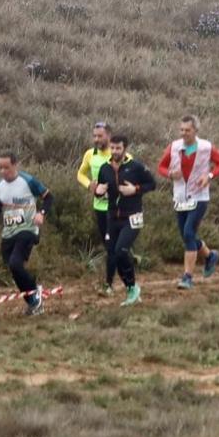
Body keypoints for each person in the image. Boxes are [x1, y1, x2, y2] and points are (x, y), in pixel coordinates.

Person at [158, 114, 219, 290]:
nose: (184, 133)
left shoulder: (206, 147)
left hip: (199, 196)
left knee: (189, 232)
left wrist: (209, 176)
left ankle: (188, 276)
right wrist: (170, 175)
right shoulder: (173, 147)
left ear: (195, 130)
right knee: (186, 236)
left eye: (187, 130)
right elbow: (161, 167)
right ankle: (210, 255)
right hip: (180, 196)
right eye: (181, 130)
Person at [93, 134, 155, 306]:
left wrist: (134, 189)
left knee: (121, 250)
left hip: (132, 216)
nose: (115, 151)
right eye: (112, 148)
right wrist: (98, 190)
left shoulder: (136, 167)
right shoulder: (104, 168)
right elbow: (99, 190)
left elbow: (152, 184)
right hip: (112, 217)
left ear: (125, 148)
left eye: (118, 148)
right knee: (113, 254)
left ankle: (133, 288)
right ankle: (131, 290)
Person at [0, 152, 51, 316]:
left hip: (28, 229)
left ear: (15, 165)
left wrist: (42, 213)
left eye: (7, 167)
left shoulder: (28, 181)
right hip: (8, 233)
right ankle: (33, 301)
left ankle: (34, 293)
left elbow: (48, 197)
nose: (3, 171)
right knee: (13, 267)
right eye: (0, 168)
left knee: (15, 264)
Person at [75, 122, 118, 287]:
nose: (96, 139)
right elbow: (80, 174)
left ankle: (108, 283)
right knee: (109, 247)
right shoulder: (90, 154)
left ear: (109, 135)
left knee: (111, 244)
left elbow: (130, 172)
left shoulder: (117, 153)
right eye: (94, 136)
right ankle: (121, 267)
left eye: (100, 136)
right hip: (99, 207)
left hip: (116, 208)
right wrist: (89, 185)